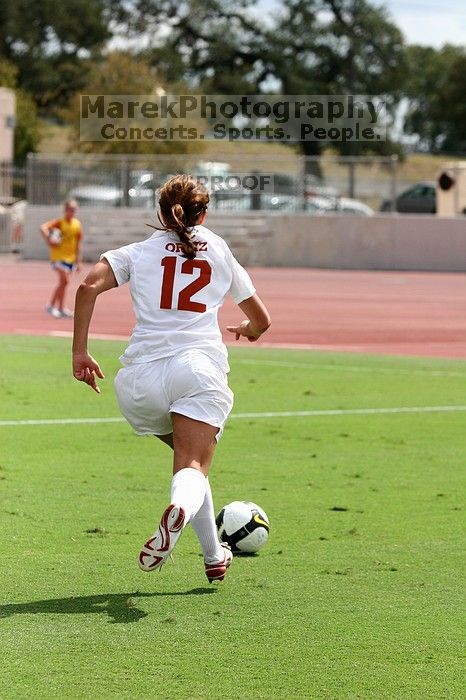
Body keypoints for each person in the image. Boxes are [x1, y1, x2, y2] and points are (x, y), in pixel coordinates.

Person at [72, 174, 271, 583]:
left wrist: (80, 352)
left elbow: (87, 287)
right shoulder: (217, 249)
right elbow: (262, 321)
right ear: (206, 211)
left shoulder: (137, 252)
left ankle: (215, 556)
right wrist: (249, 331)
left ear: (161, 213)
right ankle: (183, 519)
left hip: (138, 382)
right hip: (196, 370)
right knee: (193, 466)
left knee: (189, 464)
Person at [40, 199, 83, 318]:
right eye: (70, 209)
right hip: (58, 256)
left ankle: (61, 308)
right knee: (65, 281)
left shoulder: (77, 224)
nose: (73, 212)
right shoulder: (59, 222)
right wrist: (49, 239)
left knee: (63, 283)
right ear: (65, 210)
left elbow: (78, 243)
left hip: (70, 258)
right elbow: (43, 228)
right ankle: (51, 305)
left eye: (74, 210)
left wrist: (78, 261)